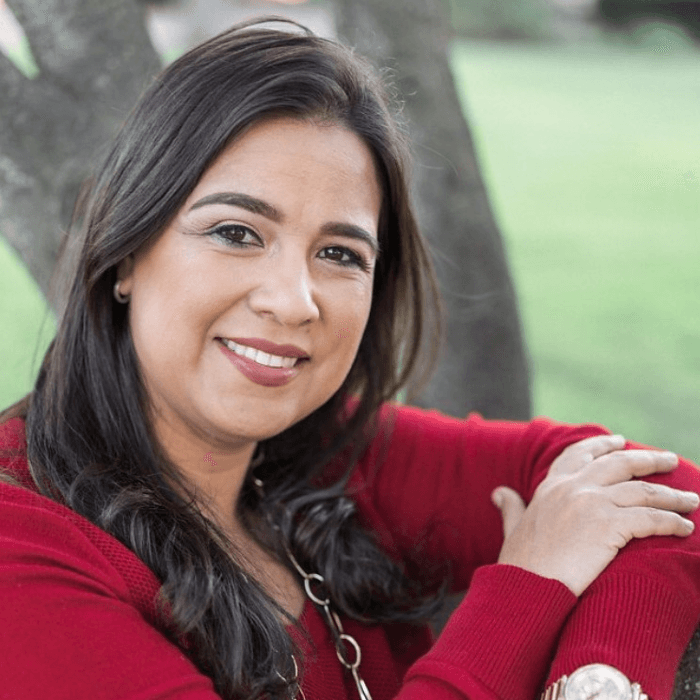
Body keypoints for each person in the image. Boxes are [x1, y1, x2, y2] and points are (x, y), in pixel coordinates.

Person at [1, 19, 699, 700]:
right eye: (237, 233)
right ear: (126, 250)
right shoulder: (22, 544)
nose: (293, 301)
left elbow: (666, 497)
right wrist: (529, 588)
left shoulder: (330, 460)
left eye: (339, 253)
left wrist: (596, 683)